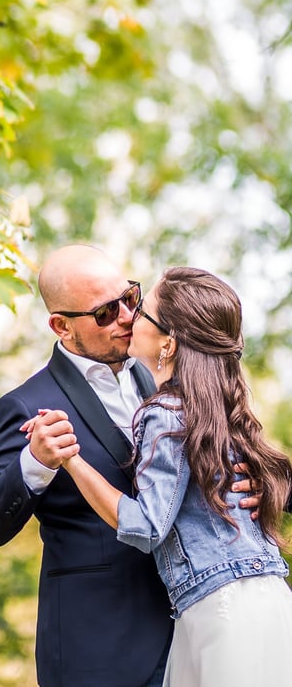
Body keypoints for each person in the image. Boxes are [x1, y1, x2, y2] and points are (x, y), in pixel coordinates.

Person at [0, 245, 260, 687]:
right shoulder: (26, 405)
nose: (127, 317)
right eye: (105, 313)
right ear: (62, 326)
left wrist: (262, 486)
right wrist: (35, 461)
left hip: (198, 631)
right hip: (100, 649)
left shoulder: (168, 374)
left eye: (130, 298)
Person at [23, 266, 292, 686]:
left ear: (168, 342)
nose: (128, 317)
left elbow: (147, 526)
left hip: (218, 610)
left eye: (139, 307)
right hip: (265, 596)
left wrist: (71, 460)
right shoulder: (209, 403)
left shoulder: (165, 412)